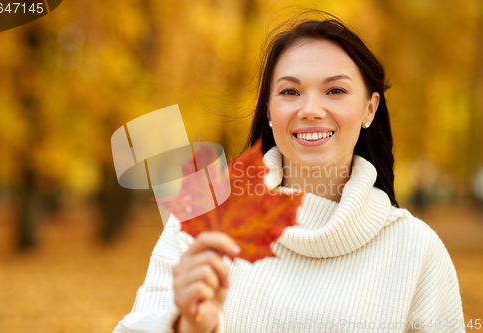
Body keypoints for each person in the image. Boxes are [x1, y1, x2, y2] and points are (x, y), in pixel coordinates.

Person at [113, 12, 466, 333]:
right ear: (268, 107)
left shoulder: (416, 250)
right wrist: (186, 326)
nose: (311, 110)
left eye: (336, 90)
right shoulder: (204, 216)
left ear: (369, 108)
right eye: (290, 91)